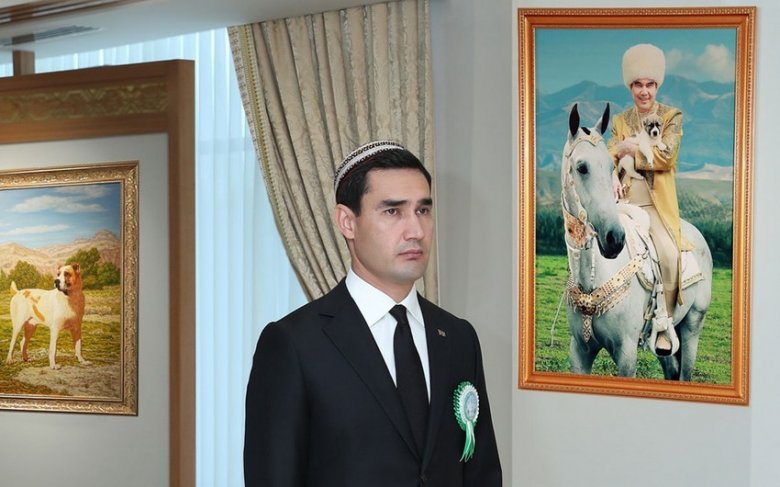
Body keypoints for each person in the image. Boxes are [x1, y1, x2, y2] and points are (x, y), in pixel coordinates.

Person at [244, 140, 502, 486]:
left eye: (423, 210)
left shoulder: (457, 337)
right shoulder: (294, 344)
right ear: (347, 222)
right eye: (393, 212)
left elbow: (482, 472)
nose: (416, 231)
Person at [607, 43, 693, 356]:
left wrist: (629, 148)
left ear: (657, 85)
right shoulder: (620, 121)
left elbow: (667, 156)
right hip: (623, 201)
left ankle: (663, 322)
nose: (644, 91)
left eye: (650, 85)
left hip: (655, 205)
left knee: (668, 255)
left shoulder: (671, 116)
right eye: (638, 85)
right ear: (630, 86)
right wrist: (612, 173)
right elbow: (609, 151)